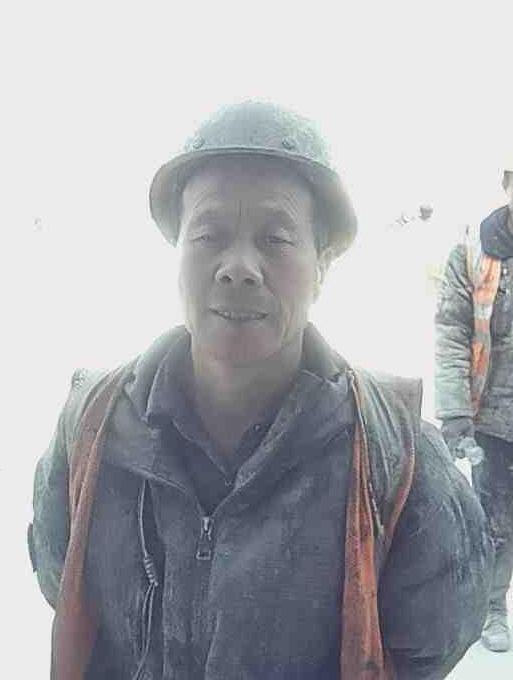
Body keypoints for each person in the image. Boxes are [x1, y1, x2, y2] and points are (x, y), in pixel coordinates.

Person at [30, 101, 491, 679]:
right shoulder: (92, 426)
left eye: (275, 238)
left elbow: (432, 638)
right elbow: (60, 577)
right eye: (209, 234)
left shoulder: (397, 455)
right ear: (178, 254)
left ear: (322, 265)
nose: (239, 267)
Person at [435, 161, 513, 653]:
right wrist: (455, 411)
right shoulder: (471, 254)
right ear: (507, 184)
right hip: (495, 416)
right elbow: (452, 333)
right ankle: (491, 606)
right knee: (494, 518)